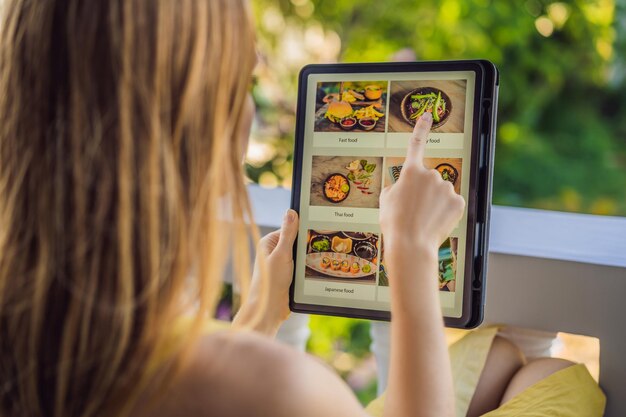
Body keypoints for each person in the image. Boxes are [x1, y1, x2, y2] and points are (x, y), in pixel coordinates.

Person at [0, 1, 604, 417]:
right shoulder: (278, 387)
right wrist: (414, 255)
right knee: (557, 380)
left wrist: (254, 324)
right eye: (240, 86)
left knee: (498, 355)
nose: (246, 114)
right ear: (189, 128)